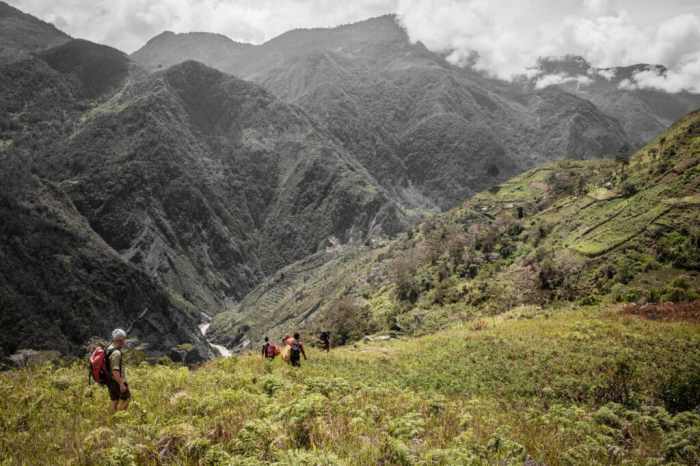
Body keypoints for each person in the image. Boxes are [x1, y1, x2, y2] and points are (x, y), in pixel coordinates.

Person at [107, 328, 130, 412]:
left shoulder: (109, 349)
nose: (124, 342)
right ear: (120, 340)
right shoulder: (116, 353)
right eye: (124, 339)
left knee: (114, 400)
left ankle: (112, 419)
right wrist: (121, 384)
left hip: (110, 380)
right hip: (117, 381)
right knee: (126, 398)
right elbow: (115, 370)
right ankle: (120, 418)